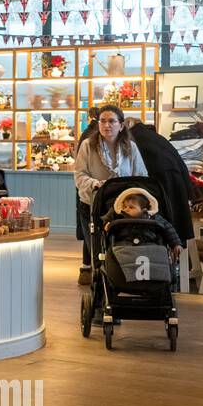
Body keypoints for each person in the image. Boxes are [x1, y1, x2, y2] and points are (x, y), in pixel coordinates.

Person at [73, 104, 147, 285]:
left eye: (112, 121)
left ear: (121, 125)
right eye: (103, 121)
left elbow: (142, 175)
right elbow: (79, 175)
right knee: (97, 250)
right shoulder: (87, 146)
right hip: (93, 204)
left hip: (123, 208)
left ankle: (122, 281)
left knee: (120, 247)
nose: (107, 125)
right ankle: (100, 288)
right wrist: (96, 184)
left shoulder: (130, 147)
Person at [125, 118, 196, 249]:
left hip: (159, 185)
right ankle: (183, 264)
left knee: (164, 225)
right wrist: (191, 192)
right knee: (177, 224)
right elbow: (181, 164)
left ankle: (167, 261)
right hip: (176, 182)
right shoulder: (157, 137)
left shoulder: (133, 138)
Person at [110, 187, 183, 261]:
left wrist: (176, 244)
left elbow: (168, 229)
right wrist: (108, 226)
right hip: (125, 246)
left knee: (157, 250)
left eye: (131, 207)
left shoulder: (153, 218)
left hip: (150, 246)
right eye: (125, 207)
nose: (126, 209)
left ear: (143, 209)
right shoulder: (120, 219)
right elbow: (113, 231)